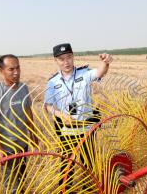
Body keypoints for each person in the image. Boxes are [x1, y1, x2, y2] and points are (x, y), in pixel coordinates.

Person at [44, 43, 112, 190]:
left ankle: (88, 189)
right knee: (67, 164)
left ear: (73, 57)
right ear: (56, 61)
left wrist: (105, 62)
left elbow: (100, 72)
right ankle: (65, 190)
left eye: (68, 57)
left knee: (89, 163)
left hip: (86, 128)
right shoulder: (52, 82)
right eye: (61, 59)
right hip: (67, 130)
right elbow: (48, 106)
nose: (66, 62)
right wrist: (59, 114)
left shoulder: (84, 73)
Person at [0, 54, 38, 193]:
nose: (16, 72)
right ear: (1, 71)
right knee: (12, 186)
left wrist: (34, 137)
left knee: (22, 179)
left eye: (18, 68)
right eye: (11, 69)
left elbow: (28, 114)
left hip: (22, 144)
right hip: (7, 148)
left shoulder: (23, 88)